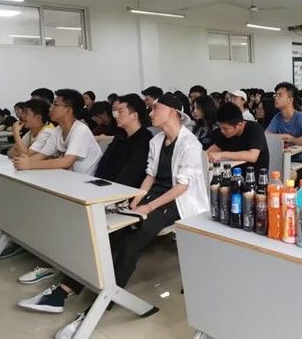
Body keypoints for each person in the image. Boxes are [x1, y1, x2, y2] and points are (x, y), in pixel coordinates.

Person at [20, 93, 208, 339]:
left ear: (172, 112)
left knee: (133, 239)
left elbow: (182, 187)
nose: (151, 113)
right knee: (111, 231)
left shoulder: (190, 144)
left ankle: (98, 307)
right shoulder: (157, 140)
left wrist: (147, 207)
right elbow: (150, 176)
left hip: (177, 202)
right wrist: (137, 199)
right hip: (153, 195)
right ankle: (64, 290)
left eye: (156, 109)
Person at [16, 94, 151, 289]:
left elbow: (130, 175)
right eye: (114, 111)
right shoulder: (120, 137)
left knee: (74, 222)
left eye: (119, 111)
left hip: (118, 196)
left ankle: (68, 279)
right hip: (95, 187)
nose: (114, 115)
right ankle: (56, 264)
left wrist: (104, 193)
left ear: (134, 114)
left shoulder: (145, 139)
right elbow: (104, 167)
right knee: (54, 211)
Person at [12, 89, 102, 175]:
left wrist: (30, 163)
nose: (50, 108)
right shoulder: (57, 131)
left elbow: (67, 162)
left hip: (86, 180)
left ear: (68, 110)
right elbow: (41, 155)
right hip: (68, 177)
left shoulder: (80, 129)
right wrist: (26, 160)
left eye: (55, 104)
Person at [266, 82, 302, 180]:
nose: (276, 97)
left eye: (280, 95)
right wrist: (287, 136)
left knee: (285, 177)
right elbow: (266, 136)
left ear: (290, 99)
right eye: (275, 95)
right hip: (285, 160)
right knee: (267, 173)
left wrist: (289, 140)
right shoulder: (277, 118)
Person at [207, 103, 269, 174]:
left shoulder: (254, 128)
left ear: (239, 125)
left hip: (253, 176)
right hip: (229, 175)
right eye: (220, 127)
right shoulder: (223, 132)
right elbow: (211, 152)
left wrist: (221, 154)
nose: (222, 131)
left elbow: (252, 156)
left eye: (225, 128)